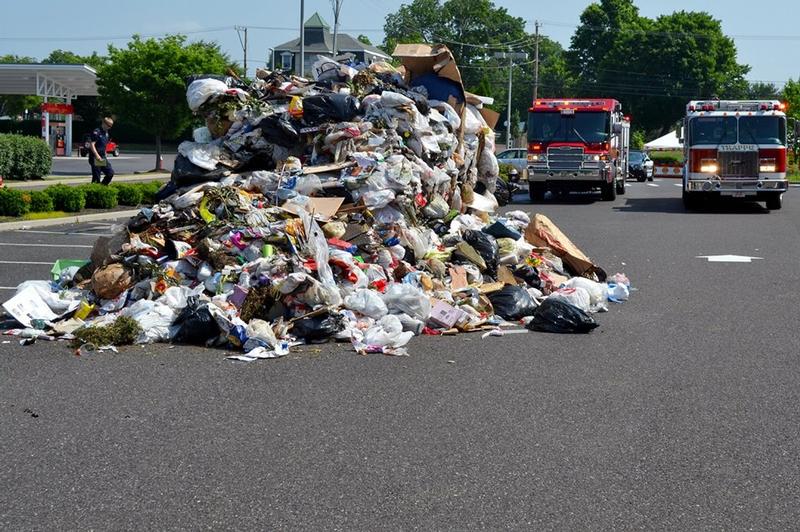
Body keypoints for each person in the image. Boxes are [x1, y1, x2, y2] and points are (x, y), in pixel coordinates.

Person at [88, 117, 115, 185]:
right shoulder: (97, 132)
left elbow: (104, 145)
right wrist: (97, 155)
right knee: (96, 178)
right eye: (109, 125)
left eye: (111, 126)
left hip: (102, 157)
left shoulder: (106, 133)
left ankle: (102, 188)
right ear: (104, 123)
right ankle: (95, 192)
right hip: (96, 157)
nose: (110, 127)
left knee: (110, 173)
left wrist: (105, 153)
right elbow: (92, 144)